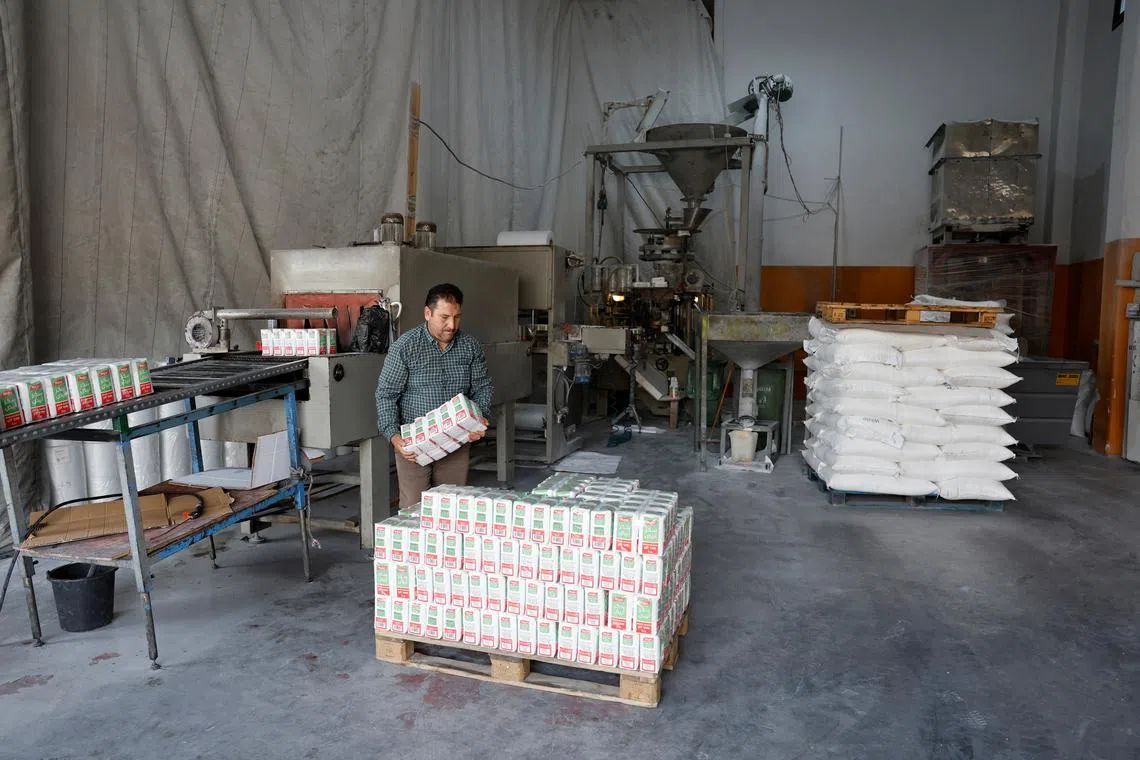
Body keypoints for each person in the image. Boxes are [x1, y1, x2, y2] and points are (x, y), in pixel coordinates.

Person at [375, 283, 494, 507]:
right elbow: (386, 394)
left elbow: (482, 387)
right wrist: (393, 435)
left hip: (457, 441)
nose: (452, 325)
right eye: (444, 317)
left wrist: (480, 420)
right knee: (413, 507)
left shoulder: (470, 347)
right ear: (427, 313)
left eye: (457, 317)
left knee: (451, 506)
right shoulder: (406, 347)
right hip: (413, 444)